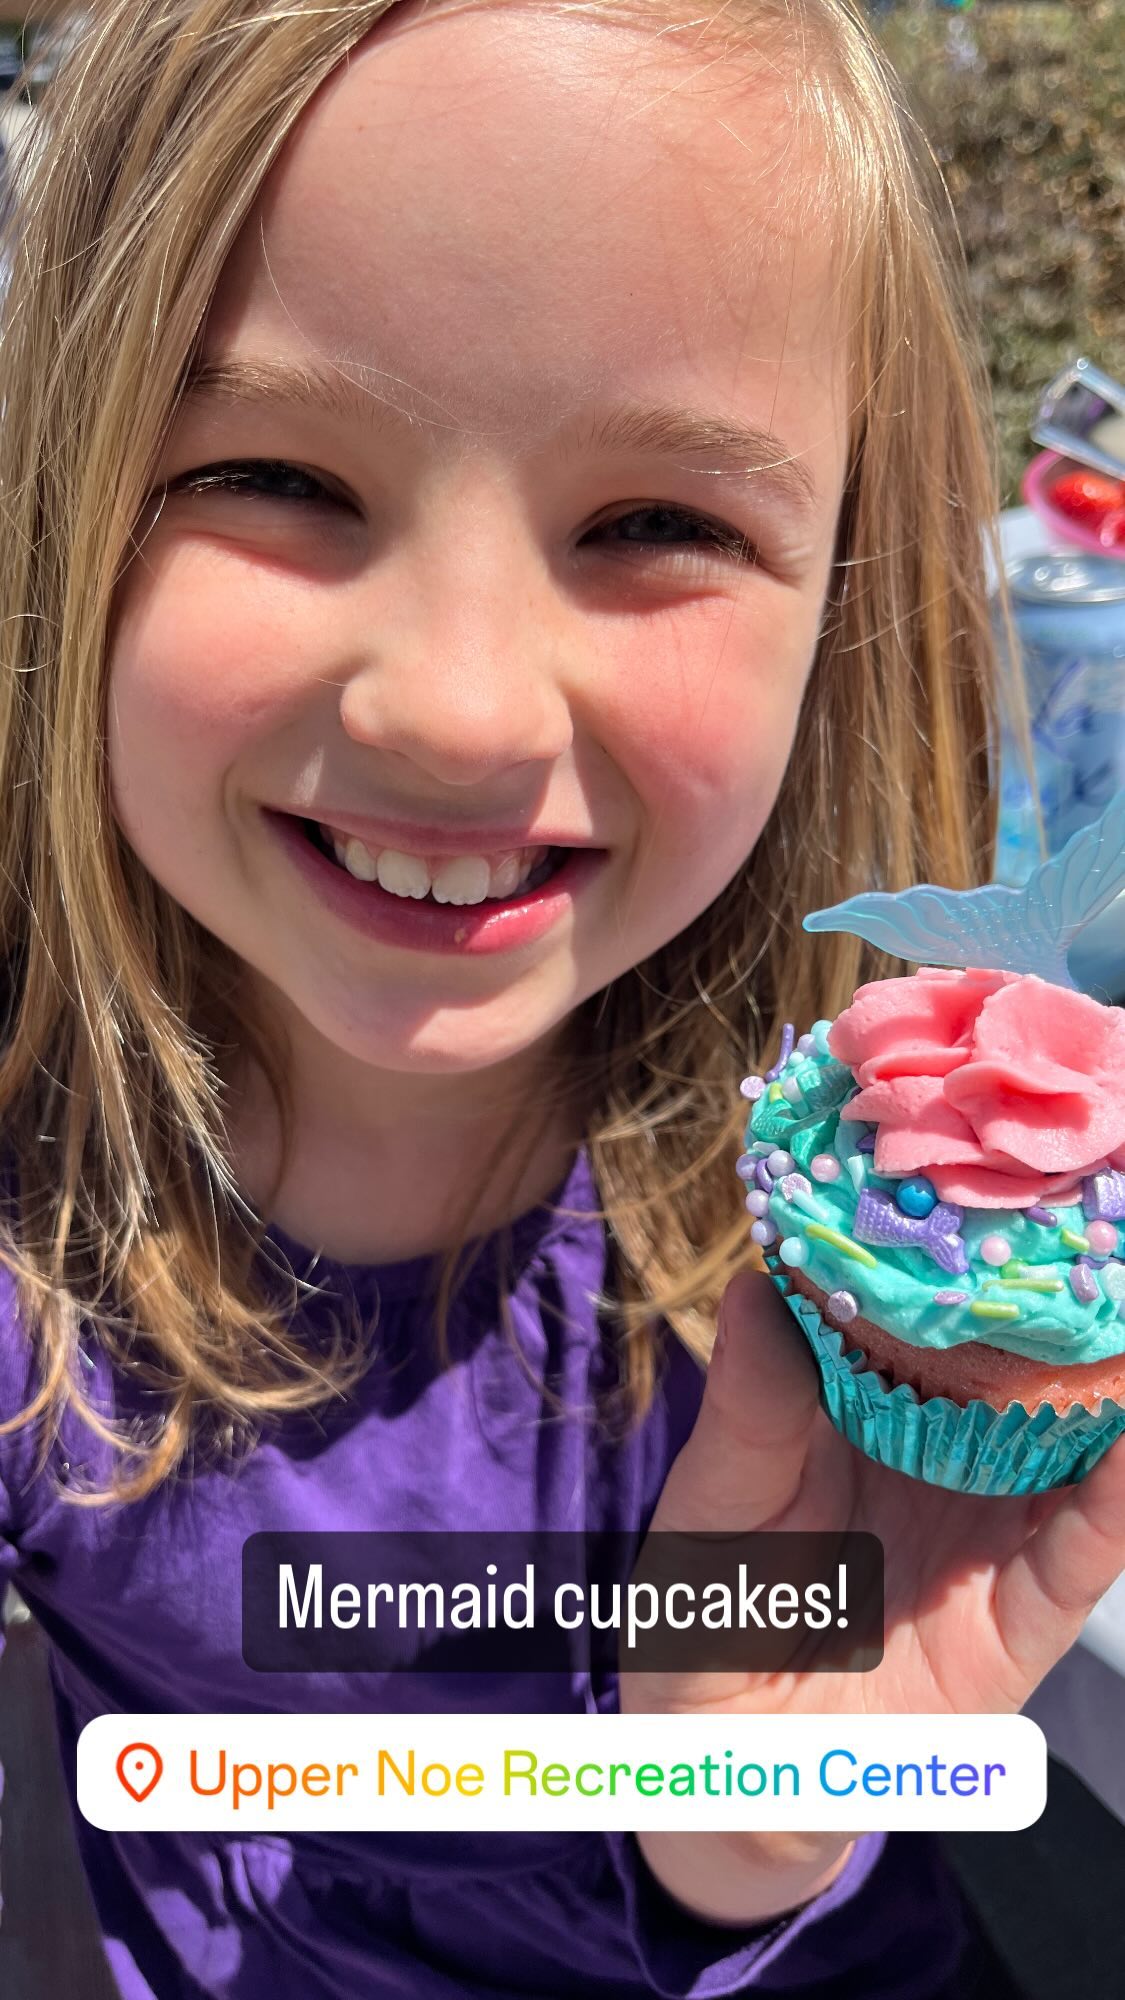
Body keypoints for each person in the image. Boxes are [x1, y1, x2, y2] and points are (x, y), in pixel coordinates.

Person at [0, 1, 1121, 1995]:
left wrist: (743, 1833)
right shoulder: (37, 1256)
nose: (454, 702)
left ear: (842, 599)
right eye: (273, 474)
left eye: (656, 526)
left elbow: (789, 1815)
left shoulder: (916, 1263)